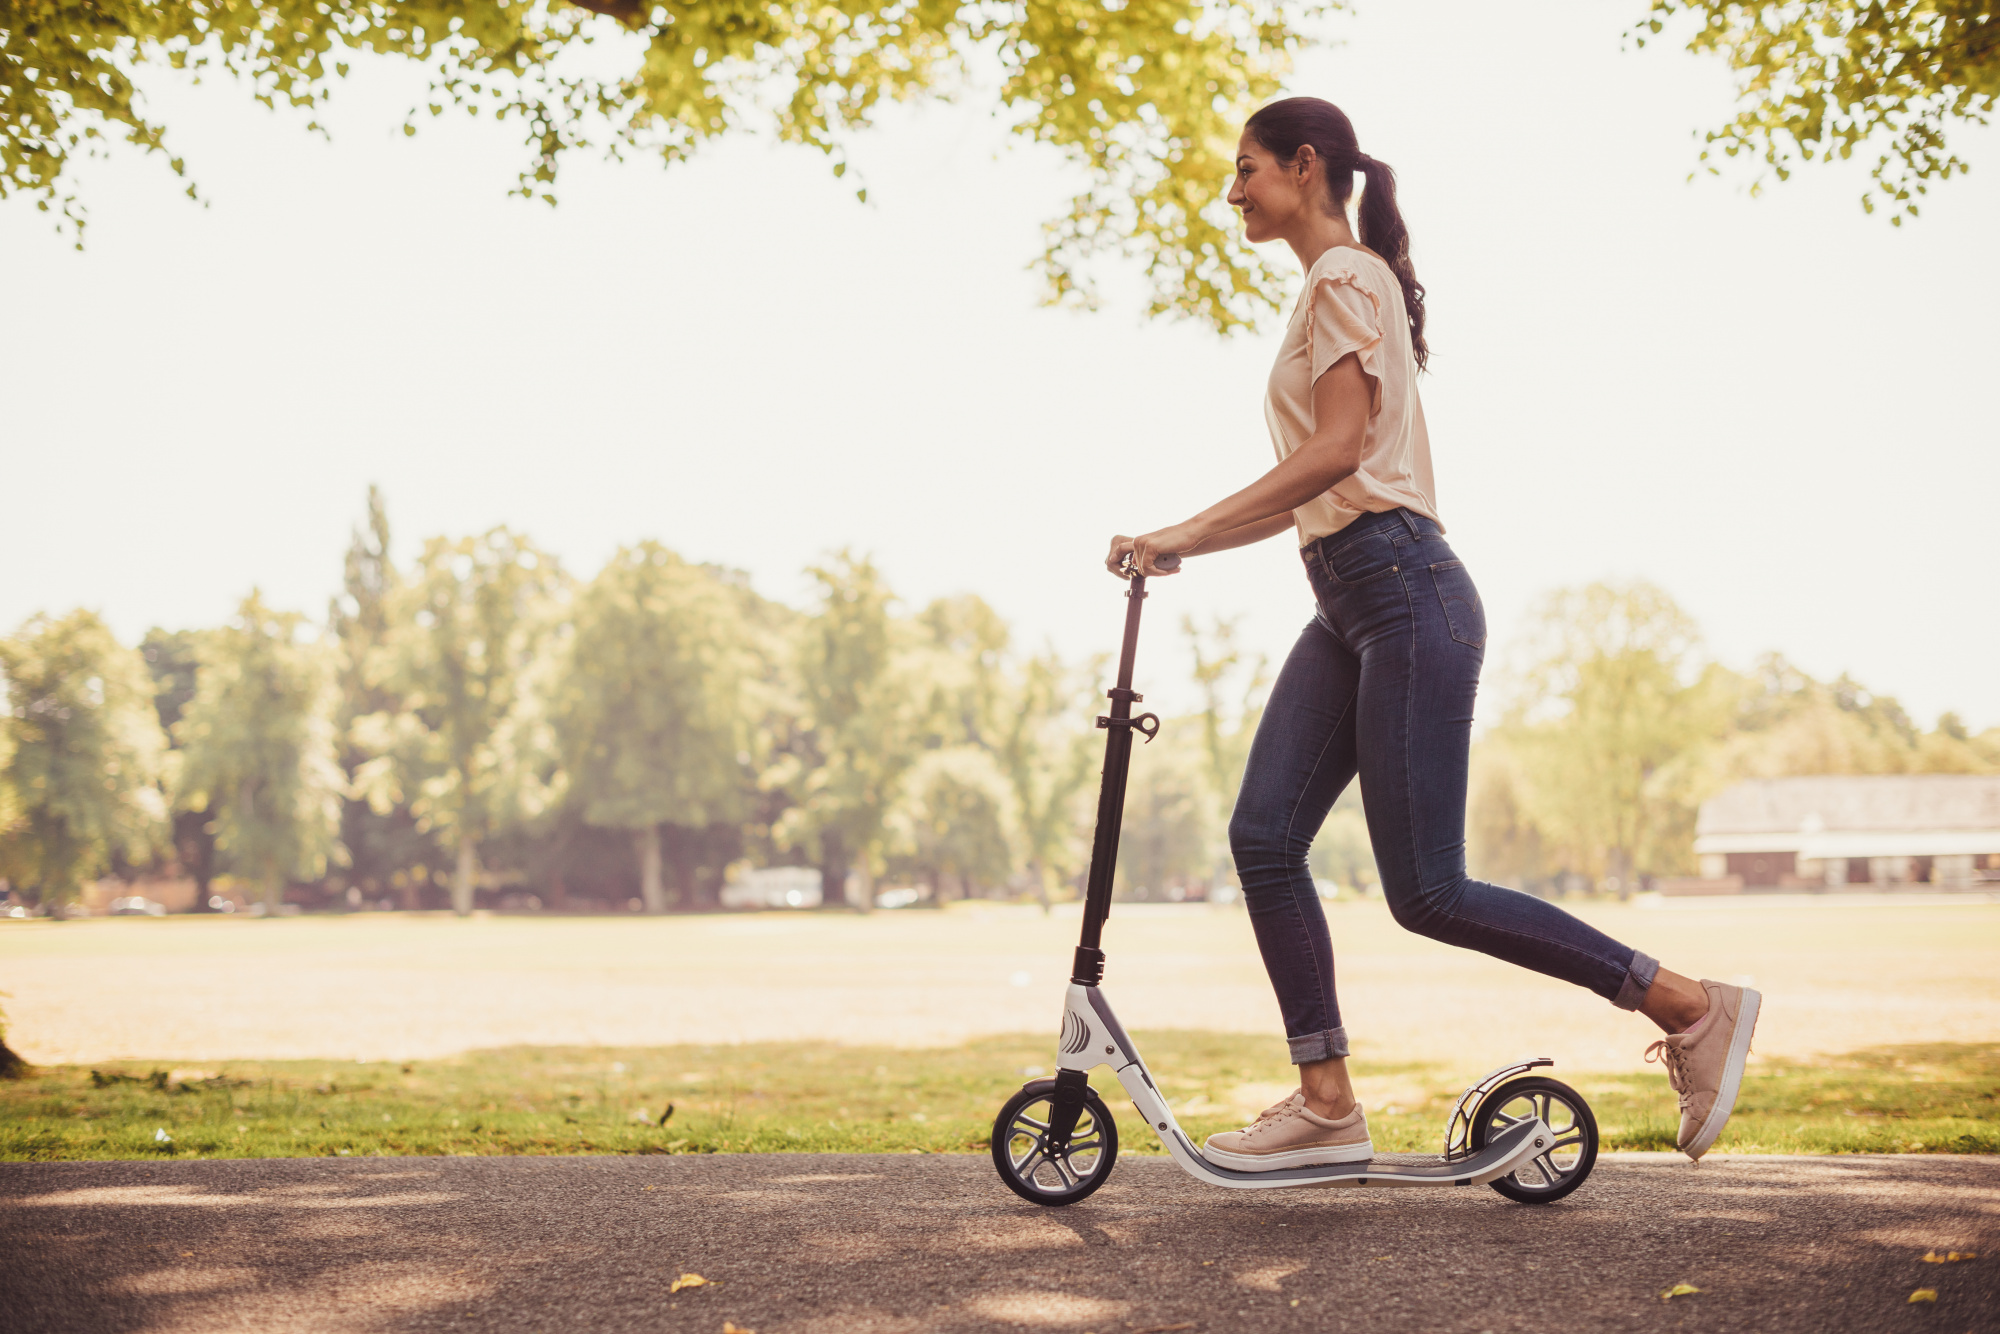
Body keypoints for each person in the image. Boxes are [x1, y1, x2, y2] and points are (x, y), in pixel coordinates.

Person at [1105, 96, 1759, 1171]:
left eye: (1246, 170)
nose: (1231, 193)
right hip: (1348, 592)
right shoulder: (1333, 287)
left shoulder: (1343, 277)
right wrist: (1191, 543)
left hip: (1401, 583)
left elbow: (1335, 452)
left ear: (1303, 167)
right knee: (1262, 838)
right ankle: (1324, 1102)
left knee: (1428, 890)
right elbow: (1313, 480)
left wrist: (1183, 523)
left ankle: (1689, 1005)